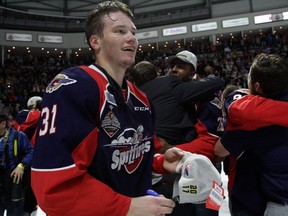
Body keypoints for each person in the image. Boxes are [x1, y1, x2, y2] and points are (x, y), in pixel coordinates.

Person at [31, 1, 185, 215]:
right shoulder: (74, 86)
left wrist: (159, 162)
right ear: (95, 41)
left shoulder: (141, 99)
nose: (132, 37)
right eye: (120, 31)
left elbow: (118, 159)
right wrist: (126, 206)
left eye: (133, 31)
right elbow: (52, 186)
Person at [131, 56, 224, 216]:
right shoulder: (167, 90)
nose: (173, 70)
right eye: (172, 66)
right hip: (170, 168)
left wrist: (174, 149)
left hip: (199, 165)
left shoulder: (207, 98)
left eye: (180, 66)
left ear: (192, 73)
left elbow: (213, 143)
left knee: (207, 209)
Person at [214, 53, 288, 216]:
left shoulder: (251, 118)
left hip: (273, 202)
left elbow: (219, 150)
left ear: (257, 86)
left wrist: (233, 100)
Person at [0, 111, 34, 216]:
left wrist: (22, 165)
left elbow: (31, 152)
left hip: (13, 183)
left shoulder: (18, 136)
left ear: (3, 124)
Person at [14, 96, 42, 216]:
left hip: (34, 156)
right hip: (24, 156)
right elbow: (35, 116)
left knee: (33, 190)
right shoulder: (23, 114)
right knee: (26, 189)